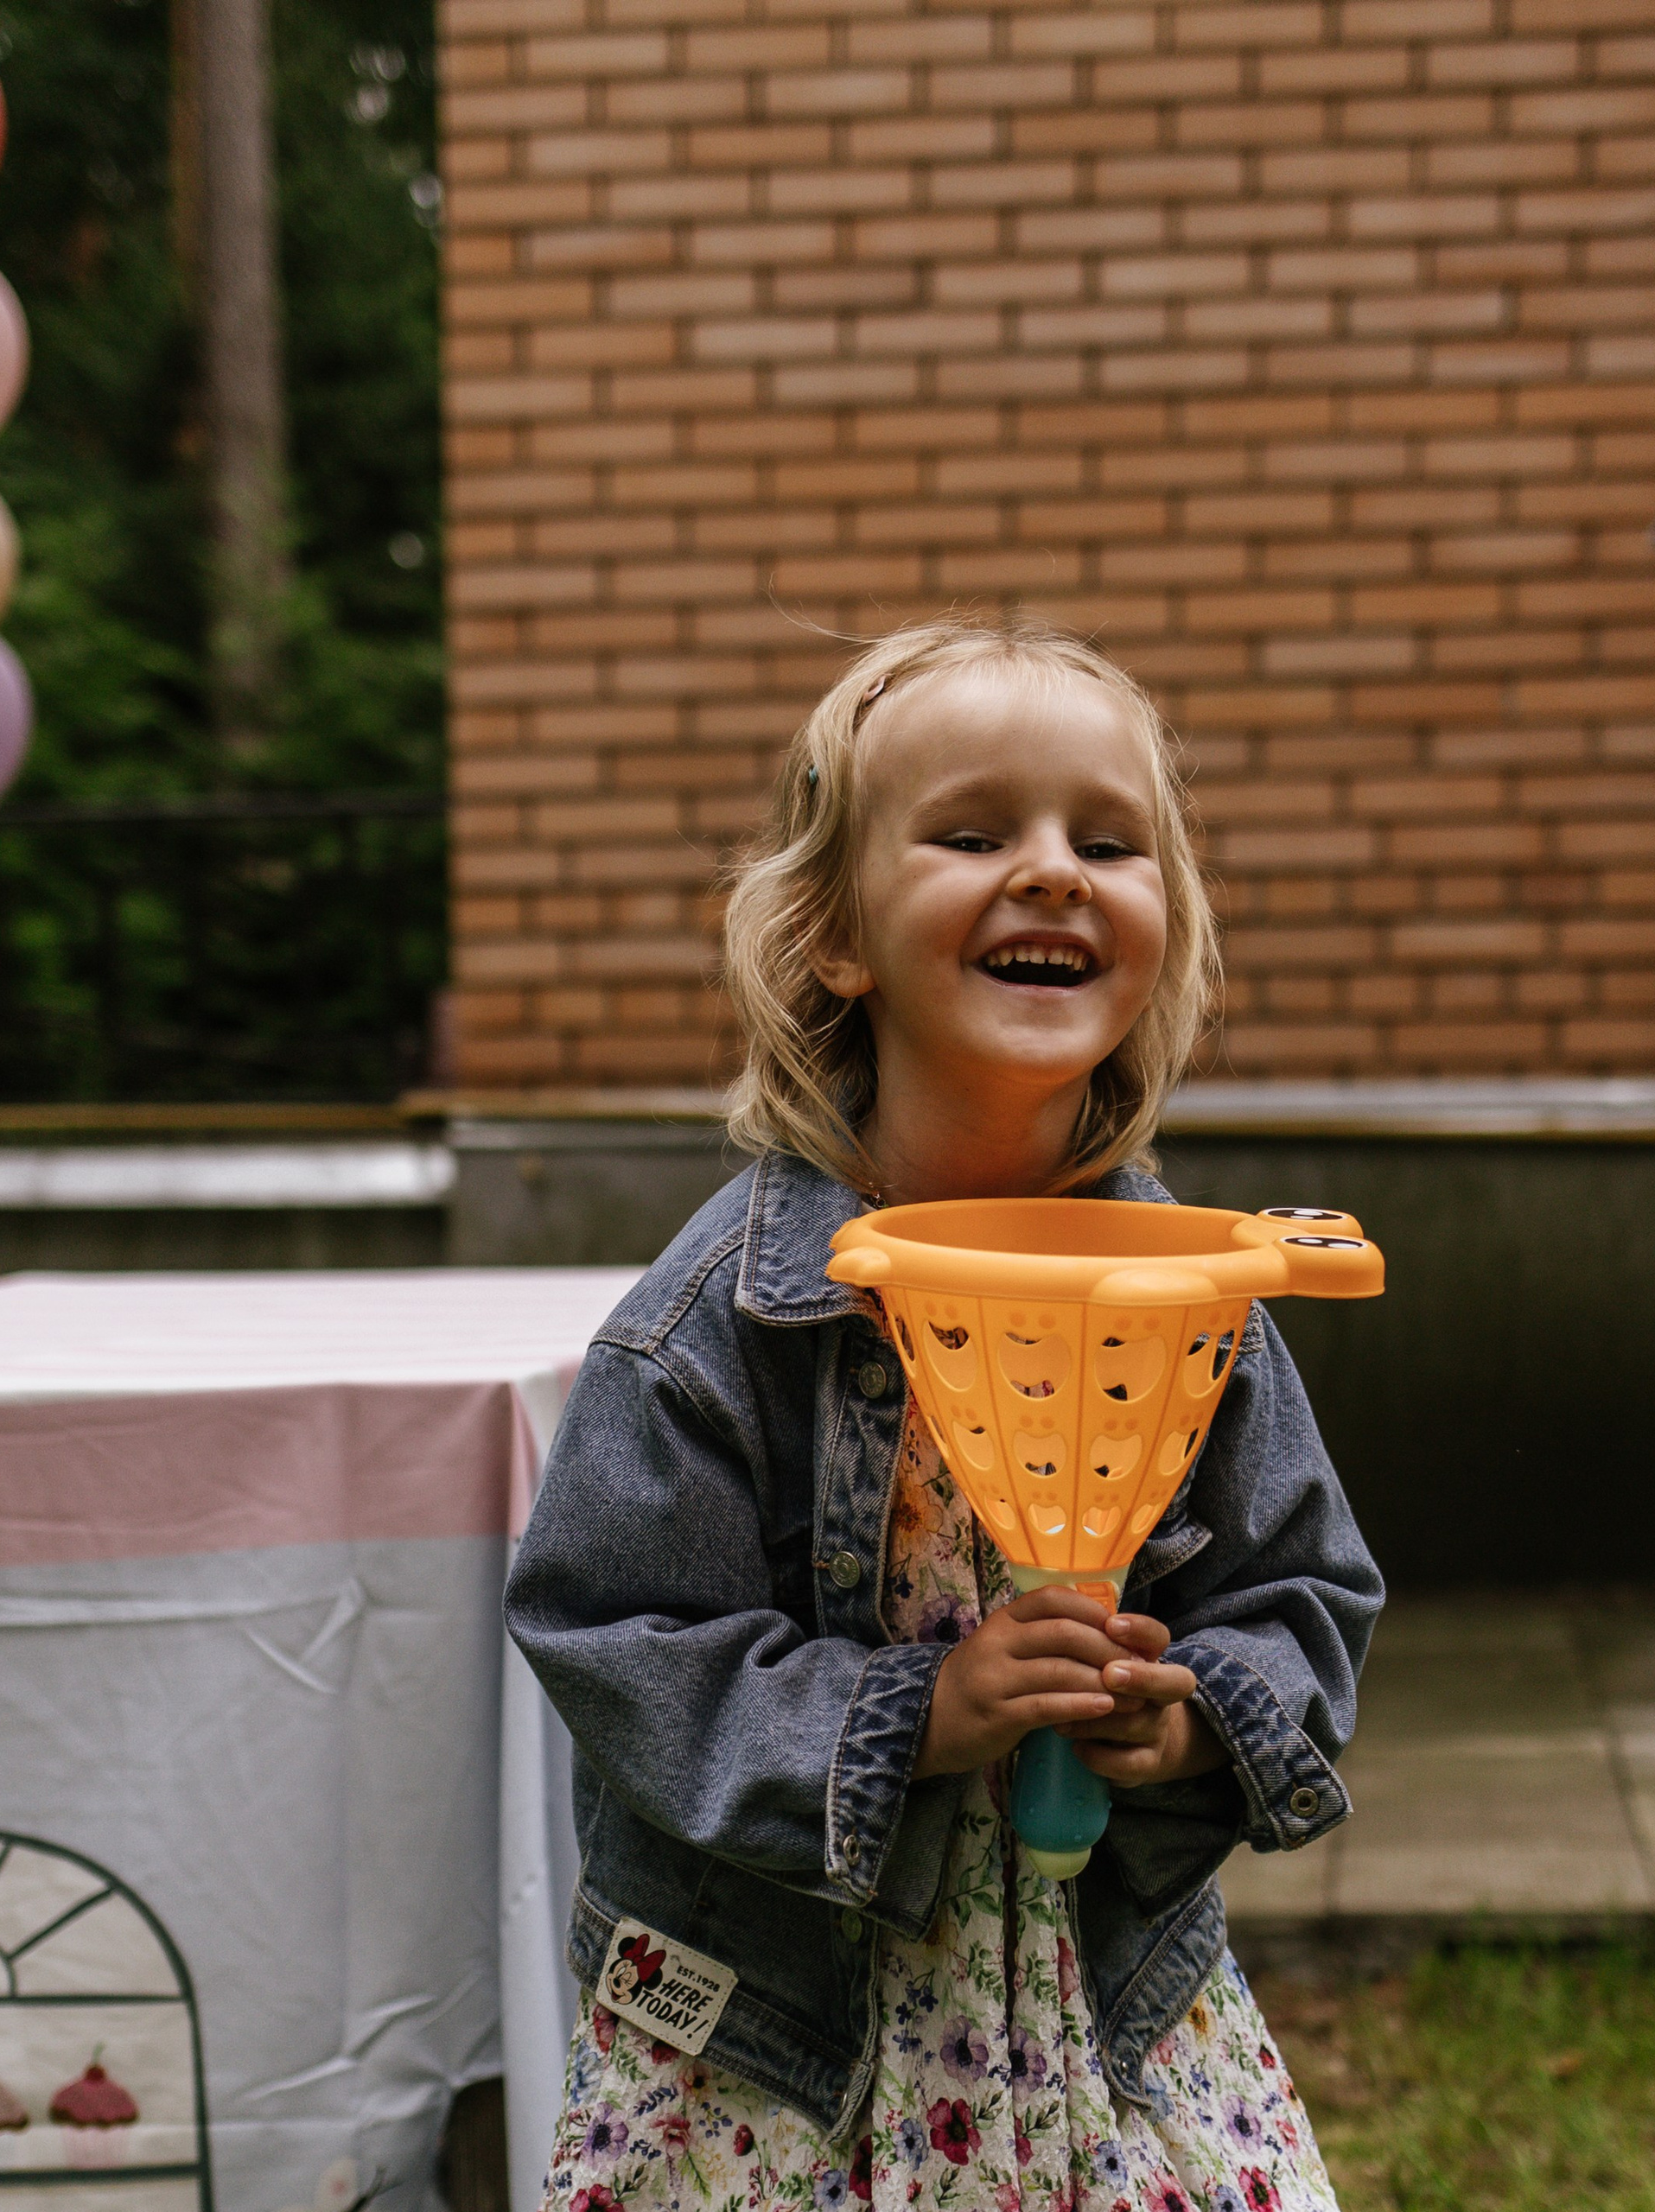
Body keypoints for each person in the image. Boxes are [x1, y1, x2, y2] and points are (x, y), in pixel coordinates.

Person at [505, 613, 1382, 2212]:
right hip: (785, 2064)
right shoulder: (719, 1326)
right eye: (977, 833)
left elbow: (1301, 1589)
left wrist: (1191, 1715)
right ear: (834, 935)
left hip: (1103, 2025)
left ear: (1162, 932)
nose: (1052, 871)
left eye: (1105, 843)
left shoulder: (1195, 1301)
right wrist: (918, 1714)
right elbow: (613, 1629)